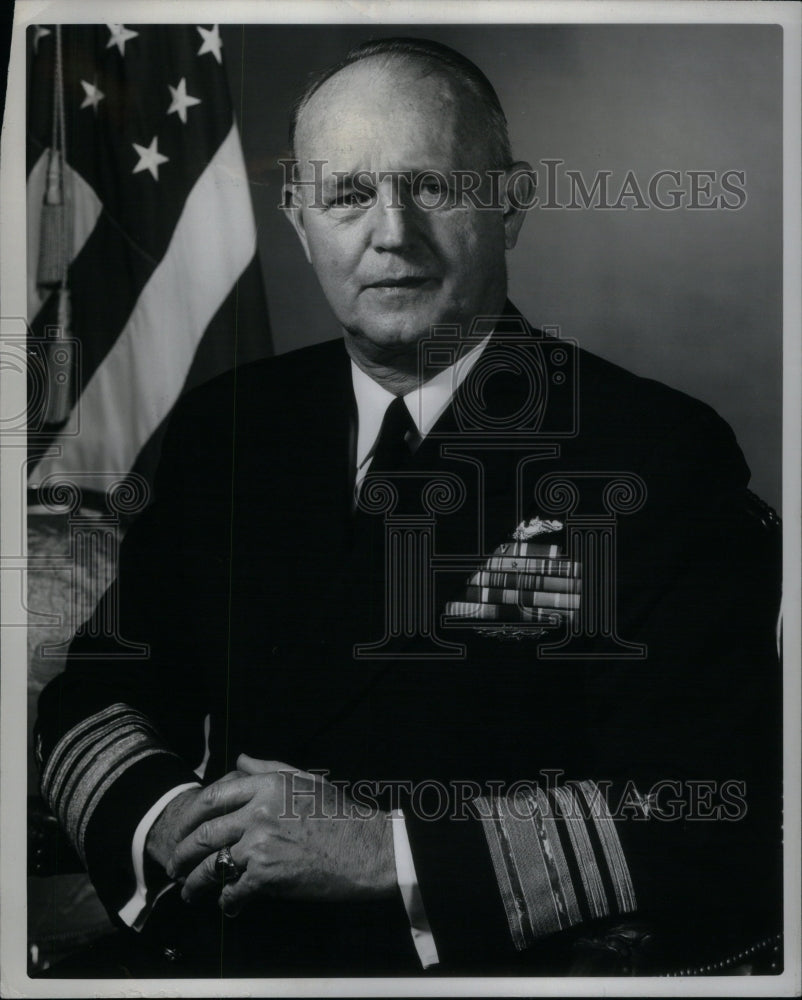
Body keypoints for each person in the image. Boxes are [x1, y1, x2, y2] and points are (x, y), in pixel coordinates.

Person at [35, 37, 782, 977]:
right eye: (348, 194)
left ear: (510, 205)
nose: (391, 231)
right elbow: (98, 692)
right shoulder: (229, 426)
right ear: (298, 218)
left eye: (432, 186)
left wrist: (387, 855)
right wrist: (170, 823)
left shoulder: (653, 451)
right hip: (228, 950)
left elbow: (714, 803)